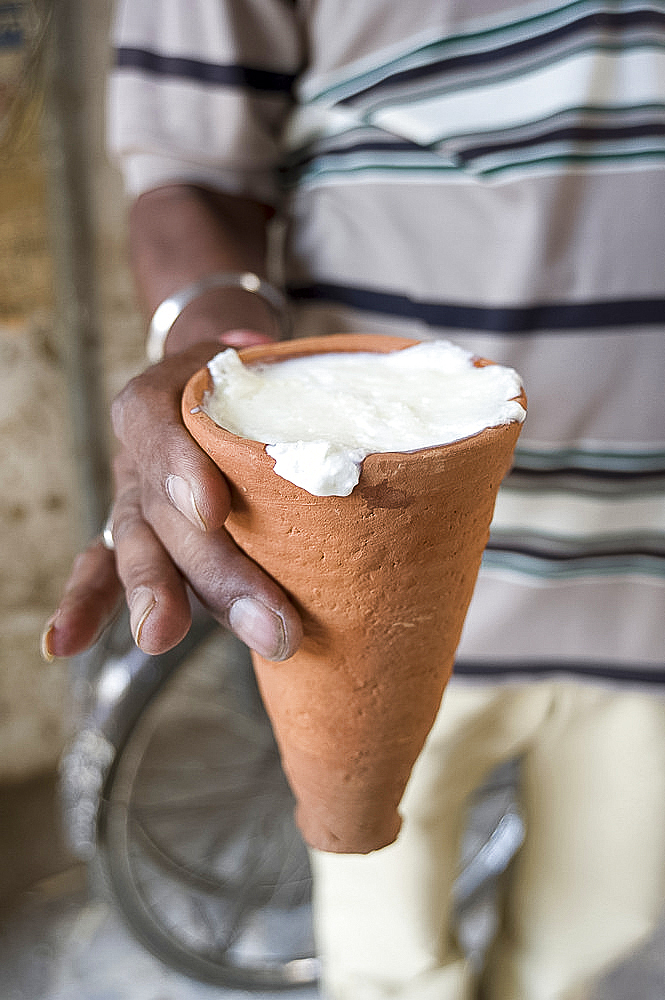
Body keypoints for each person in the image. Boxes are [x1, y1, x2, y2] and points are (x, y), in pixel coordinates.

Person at [42, 1, 665, 997]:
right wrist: (217, 358)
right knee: (387, 956)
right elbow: (191, 168)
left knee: (598, 925)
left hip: (644, 598)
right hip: (379, 591)